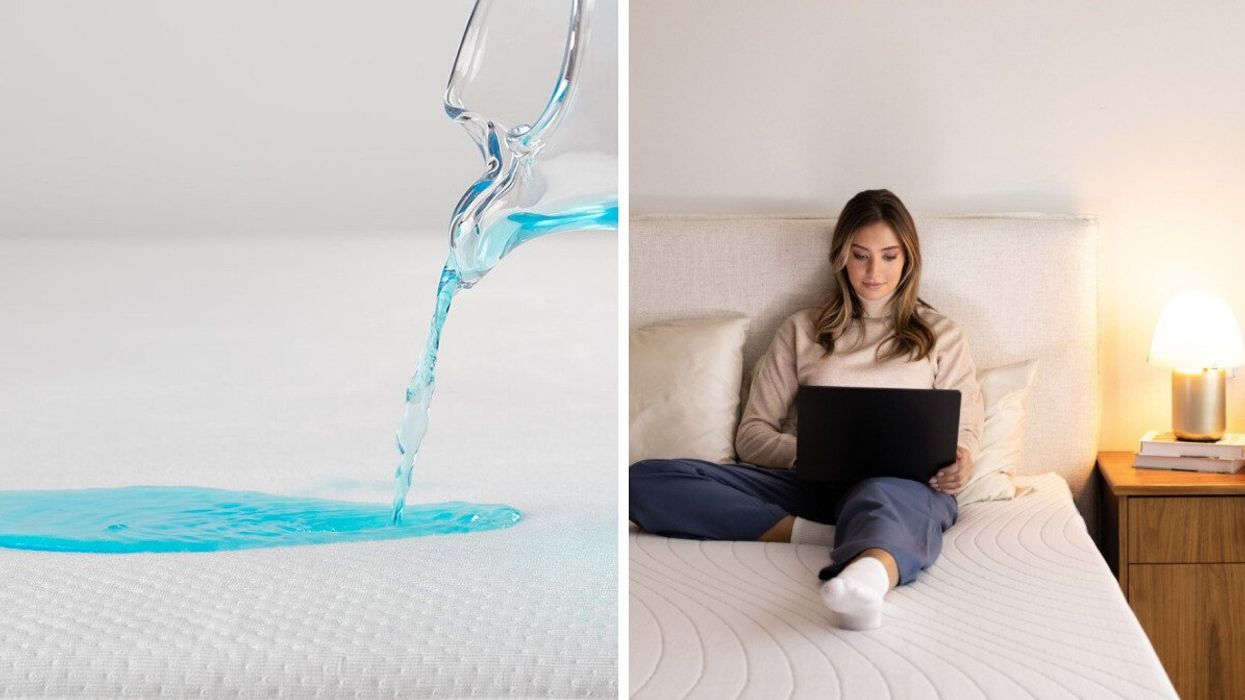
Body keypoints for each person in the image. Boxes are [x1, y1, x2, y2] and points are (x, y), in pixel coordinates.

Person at [629, 189, 984, 631]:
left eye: (889, 257)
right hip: (812, 486)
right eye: (861, 256)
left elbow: (965, 428)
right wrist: (807, 454)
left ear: (908, 260)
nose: (874, 272)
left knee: (882, 495)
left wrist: (962, 462)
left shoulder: (940, 334)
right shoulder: (802, 330)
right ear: (841, 257)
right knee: (642, 479)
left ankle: (868, 577)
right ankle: (822, 532)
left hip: (902, 489)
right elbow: (753, 434)